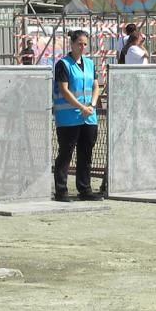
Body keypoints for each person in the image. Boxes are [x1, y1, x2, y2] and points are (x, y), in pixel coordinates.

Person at [53, 30, 104, 201]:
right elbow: (64, 90)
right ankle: (61, 190)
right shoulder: (63, 64)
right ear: (72, 44)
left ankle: (85, 189)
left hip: (88, 116)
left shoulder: (90, 63)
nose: (82, 47)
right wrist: (81, 106)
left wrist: (91, 105)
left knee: (86, 153)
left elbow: (96, 86)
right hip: (68, 117)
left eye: (84, 44)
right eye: (79, 43)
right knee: (66, 153)